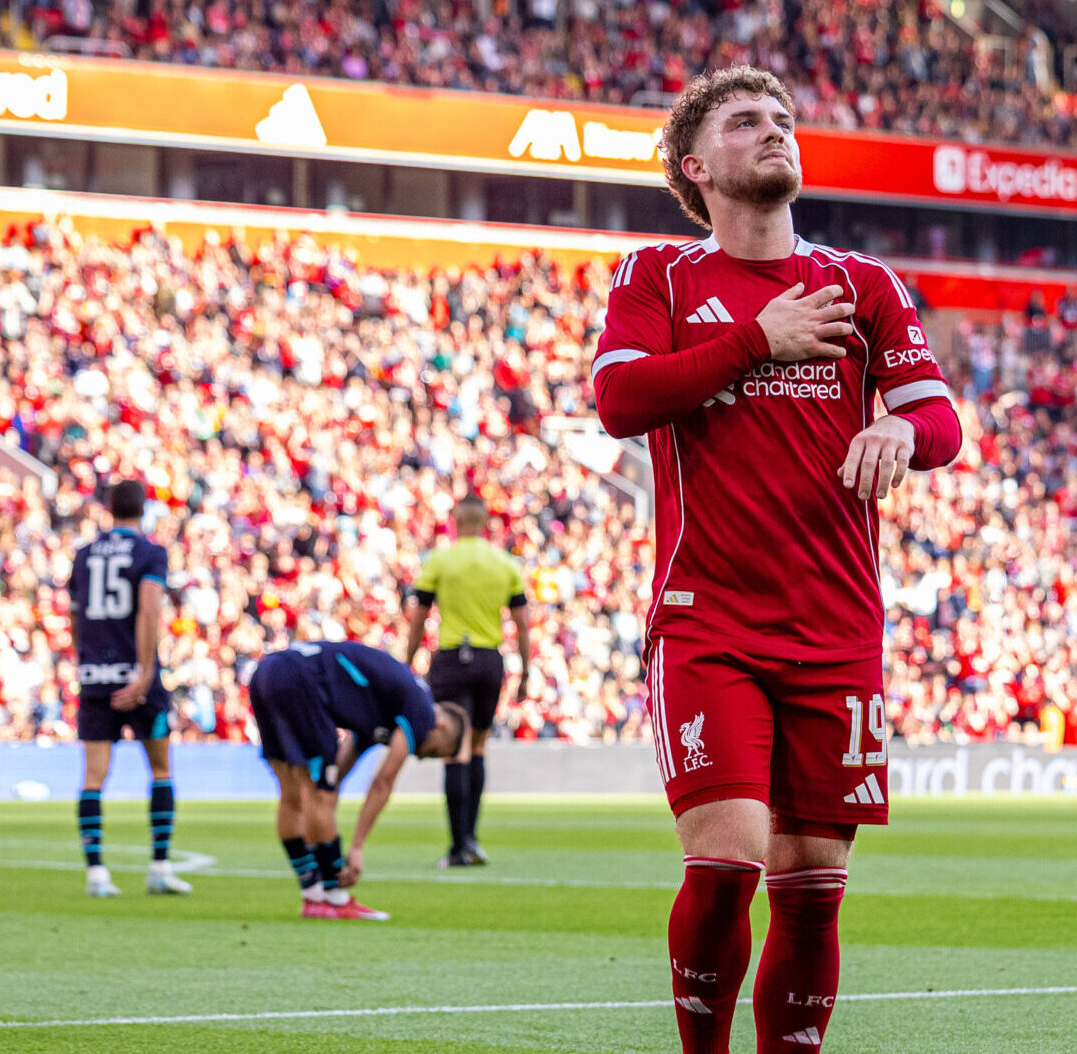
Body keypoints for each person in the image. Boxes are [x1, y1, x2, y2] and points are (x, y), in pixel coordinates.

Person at [589, 65, 963, 1054]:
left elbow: (939, 415)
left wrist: (904, 435)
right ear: (696, 166)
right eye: (747, 122)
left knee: (811, 889)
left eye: (783, 119)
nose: (774, 132)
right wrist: (758, 337)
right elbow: (621, 401)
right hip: (708, 618)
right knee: (727, 861)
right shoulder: (658, 278)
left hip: (838, 627)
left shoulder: (861, 285)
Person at [247, 639, 469, 920]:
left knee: (293, 791)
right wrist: (356, 848)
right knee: (317, 792)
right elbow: (382, 783)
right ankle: (335, 898)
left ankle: (314, 896)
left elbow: (337, 775)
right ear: (441, 725)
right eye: (434, 752)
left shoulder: (382, 708)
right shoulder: (421, 709)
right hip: (303, 680)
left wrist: (326, 802)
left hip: (267, 672)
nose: (422, 757)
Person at [66, 479, 188, 898]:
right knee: (160, 768)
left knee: (93, 776)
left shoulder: (83, 556)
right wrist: (143, 673)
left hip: (95, 677)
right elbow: (149, 609)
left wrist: (86, 663)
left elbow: (76, 619)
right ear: (143, 509)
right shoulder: (150, 552)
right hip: (135, 675)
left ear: (108, 508)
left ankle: (96, 874)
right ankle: (159, 866)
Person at [404, 494, 532, 868]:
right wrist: (525, 671)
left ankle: (458, 846)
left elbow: (419, 617)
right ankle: (472, 840)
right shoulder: (504, 563)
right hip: (490, 660)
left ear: (456, 522)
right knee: (477, 746)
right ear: (485, 523)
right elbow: (522, 622)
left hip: (450, 659)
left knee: (454, 749)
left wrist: (406, 662)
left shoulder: (441, 561)